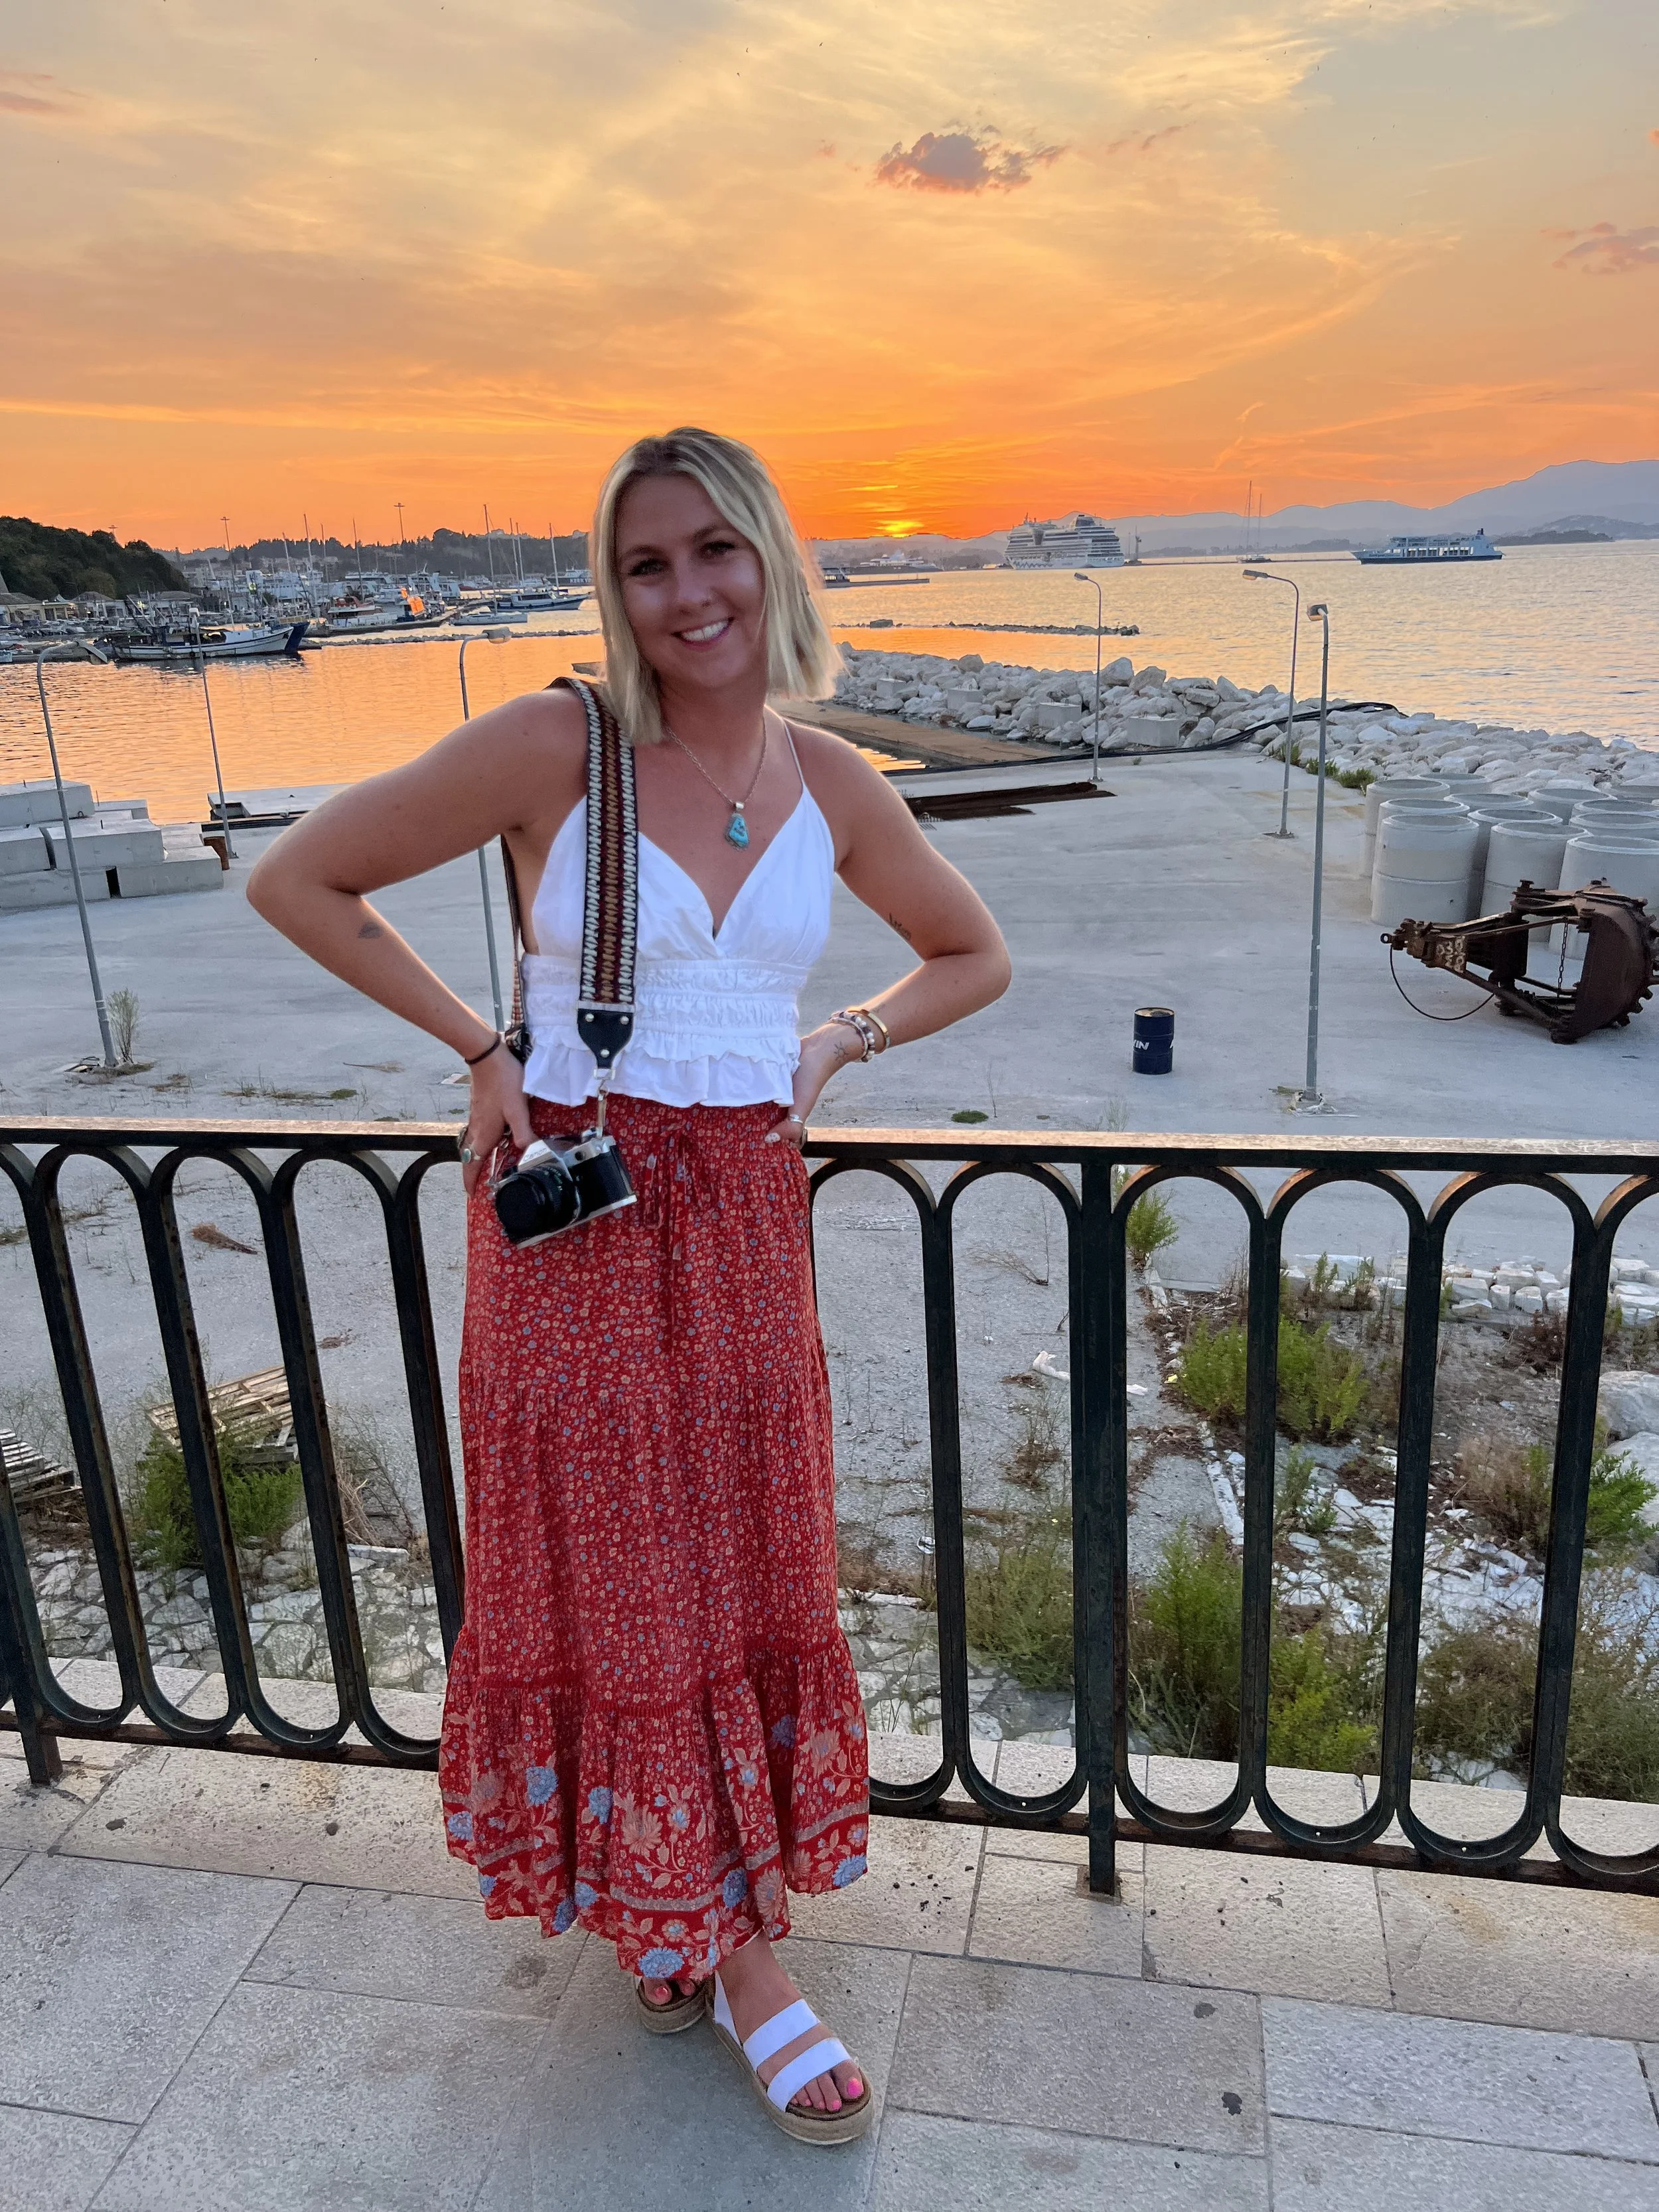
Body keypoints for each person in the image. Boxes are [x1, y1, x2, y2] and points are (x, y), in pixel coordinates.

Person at [248, 426, 1009, 2144]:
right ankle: (738, 1958)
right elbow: (297, 875)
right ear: (618, 585)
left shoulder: (831, 779)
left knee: (739, 1561)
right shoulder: (554, 743)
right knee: (621, 1579)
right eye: (649, 561)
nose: (688, 592)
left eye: (716, 549)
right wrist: (481, 1043)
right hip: (584, 1219)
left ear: (772, 560)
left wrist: (838, 1038)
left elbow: (972, 948)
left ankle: (677, 1904)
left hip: (743, 1213)